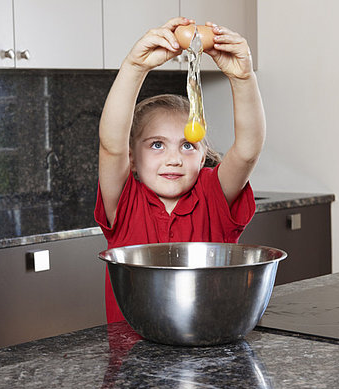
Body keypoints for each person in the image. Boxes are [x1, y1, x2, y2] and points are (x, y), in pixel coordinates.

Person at [94, 17, 266, 323]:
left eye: (188, 145)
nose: (174, 159)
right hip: (132, 359)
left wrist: (244, 78)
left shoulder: (213, 193)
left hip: (212, 354)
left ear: (202, 158)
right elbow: (111, 145)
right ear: (132, 158)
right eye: (157, 145)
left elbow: (248, 150)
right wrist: (135, 67)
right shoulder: (124, 199)